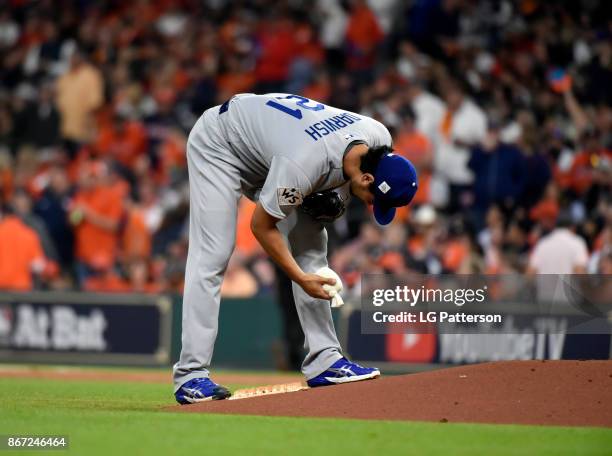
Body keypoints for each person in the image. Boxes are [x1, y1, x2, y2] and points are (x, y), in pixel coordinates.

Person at [173, 93, 418, 404]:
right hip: (222, 142)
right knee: (214, 252)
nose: (372, 206)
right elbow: (261, 226)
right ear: (368, 177)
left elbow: (339, 169)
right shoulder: (304, 163)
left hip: (273, 145)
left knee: (313, 239)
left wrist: (333, 200)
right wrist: (300, 278)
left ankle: (325, 360)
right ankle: (190, 375)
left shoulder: (378, 135)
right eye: (375, 199)